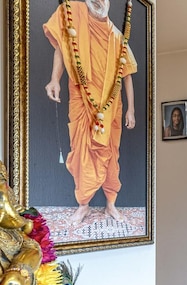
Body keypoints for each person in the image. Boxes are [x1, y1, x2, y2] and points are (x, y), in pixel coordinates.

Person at [43, 0, 138, 224]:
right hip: (81, 99)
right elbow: (61, 47)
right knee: (81, 151)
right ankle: (83, 205)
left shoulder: (116, 36)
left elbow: (127, 75)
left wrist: (131, 109)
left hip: (111, 105)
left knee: (111, 154)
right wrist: (54, 79)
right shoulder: (73, 14)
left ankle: (110, 205)